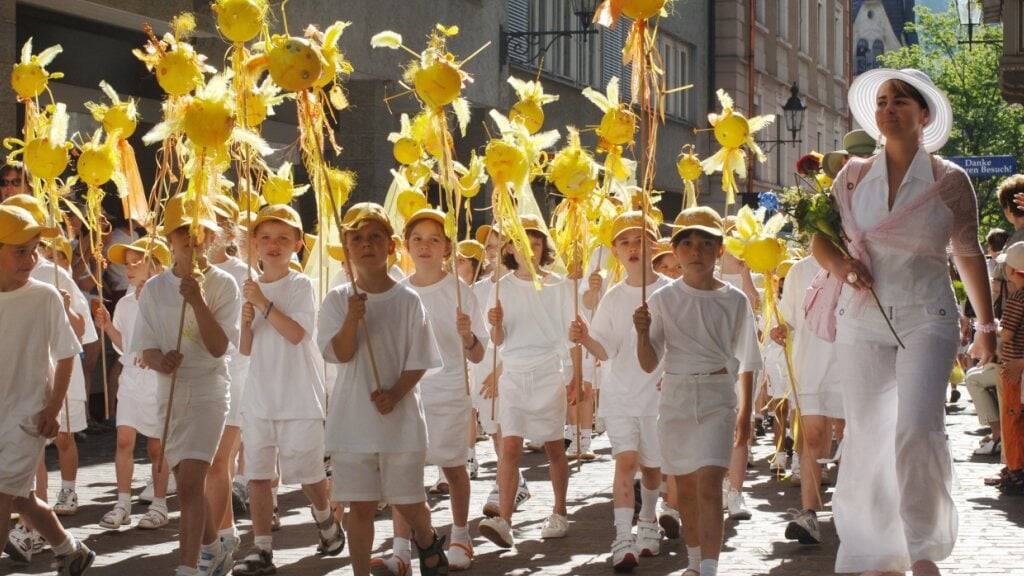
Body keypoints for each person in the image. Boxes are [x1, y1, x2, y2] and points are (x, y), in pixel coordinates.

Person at [812, 68, 995, 576]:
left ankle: (921, 549)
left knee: (917, 429)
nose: (889, 109)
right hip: (861, 320)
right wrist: (844, 266)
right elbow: (820, 242)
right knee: (868, 434)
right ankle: (874, 550)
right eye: (883, 101)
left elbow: (968, 253)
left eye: (901, 102)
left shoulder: (950, 180)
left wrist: (985, 327)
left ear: (924, 115)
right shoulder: (849, 176)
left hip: (928, 317)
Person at [318, 202, 448, 576]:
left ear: (391, 246)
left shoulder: (408, 300)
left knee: (407, 501)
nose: (366, 245)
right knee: (359, 505)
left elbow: (420, 358)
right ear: (347, 249)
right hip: (353, 419)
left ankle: (425, 537)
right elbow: (339, 354)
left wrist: (395, 393)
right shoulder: (335, 300)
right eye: (356, 239)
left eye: (375, 237)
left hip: (399, 418)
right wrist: (351, 320)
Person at [634, 206, 760, 576]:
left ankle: (709, 567)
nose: (696, 251)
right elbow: (647, 362)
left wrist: (746, 413)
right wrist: (641, 331)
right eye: (687, 243)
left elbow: (749, 359)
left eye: (706, 243)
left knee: (708, 484)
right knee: (685, 489)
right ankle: (692, 561)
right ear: (675, 252)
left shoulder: (735, 300)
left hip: (717, 396)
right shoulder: (660, 300)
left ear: (720, 250)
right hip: (675, 398)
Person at [131, 194, 241, 576]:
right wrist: (160, 360)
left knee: (193, 479)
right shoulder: (155, 288)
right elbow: (145, 346)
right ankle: (214, 546)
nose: (191, 240)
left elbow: (219, 346)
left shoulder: (224, 284)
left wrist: (197, 301)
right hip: (170, 392)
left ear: (211, 236)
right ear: (169, 238)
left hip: (209, 390)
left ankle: (187, 567)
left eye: (199, 232)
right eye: (183, 232)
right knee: (188, 483)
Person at [232, 204, 344, 574]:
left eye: (283, 238)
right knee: (259, 476)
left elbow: (297, 334)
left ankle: (326, 518)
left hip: (298, 395)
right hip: (260, 395)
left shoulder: (301, 285)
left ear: (297, 244)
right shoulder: (248, 287)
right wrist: (248, 319)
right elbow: (245, 347)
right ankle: (261, 547)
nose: (273, 244)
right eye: (265, 237)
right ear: (254, 244)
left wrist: (263, 305)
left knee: (310, 474)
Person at [377, 208, 486, 571]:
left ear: (447, 248)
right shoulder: (396, 292)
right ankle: (401, 551)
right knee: (404, 473)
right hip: (408, 395)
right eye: (417, 239)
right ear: (405, 246)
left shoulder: (461, 291)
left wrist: (467, 335)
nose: (425, 246)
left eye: (434, 239)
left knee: (453, 467)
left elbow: (479, 352)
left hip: (450, 391)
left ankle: (460, 534)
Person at [569, 211, 669, 570]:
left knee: (654, 468)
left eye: (639, 239)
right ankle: (622, 536)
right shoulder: (611, 298)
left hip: (658, 397)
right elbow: (604, 350)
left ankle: (648, 519)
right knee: (626, 460)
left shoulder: (670, 293)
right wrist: (585, 338)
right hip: (620, 394)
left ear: (653, 245)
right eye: (624, 241)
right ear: (614, 251)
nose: (632, 247)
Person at [0, 204, 95, 574]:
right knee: (22, 499)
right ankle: (70, 550)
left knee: (3, 495)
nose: (31, 258)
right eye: (19, 250)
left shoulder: (45, 296)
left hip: (27, 417)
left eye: (34, 248)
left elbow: (69, 353)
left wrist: (52, 408)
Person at [478, 215, 575, 550]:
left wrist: (576, 378)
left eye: (534, 243)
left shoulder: (559, 285)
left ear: (542, 248)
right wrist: (496, 323)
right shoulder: (500, 288)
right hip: (515, 376)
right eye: (519, 243)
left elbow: (571, 336)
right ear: (510, 249)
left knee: (552, 447)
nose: (527, 249)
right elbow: (498, 340)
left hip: (548, 373)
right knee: (509, 446)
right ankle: (504, 519)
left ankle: (560, 511)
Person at [94, 237, 173, 531]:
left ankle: (160, 504)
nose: (129, 268)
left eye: (136, 262)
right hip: (130, 380)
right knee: (124, 439)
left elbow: (173, 340)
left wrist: (153, 354)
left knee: (156, 446)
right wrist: (107, 327)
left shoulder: (166, 300)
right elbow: (124, 345)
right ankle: (122, 503)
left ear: (154, 264)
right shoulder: (125, 303)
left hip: (156, 380)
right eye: (126, 263)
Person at [773, 254, 846, 545]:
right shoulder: (799, 271)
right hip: (811, 364)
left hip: (849, 361)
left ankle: (850, 507)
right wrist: (781, 329)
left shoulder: (856, 260)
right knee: (813, 437)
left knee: (847, 436)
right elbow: (789, 317)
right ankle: (809, 513)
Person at [207, 194, 254, 553]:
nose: (215, 228)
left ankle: (225, 535)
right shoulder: (185, 273)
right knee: (206, 463)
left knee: (218, 459)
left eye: (223, 220)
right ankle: (222, 530)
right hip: (200, 375)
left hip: (237, 372)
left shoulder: (245, 272)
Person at [994, 241, 1024, 494]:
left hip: (1015, 368)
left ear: (1013, 272)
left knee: (1012, 418)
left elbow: (1007, 334)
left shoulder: (1017, 298)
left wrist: (993, 330)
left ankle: (1016, 469)